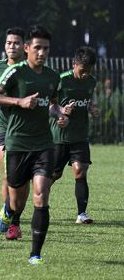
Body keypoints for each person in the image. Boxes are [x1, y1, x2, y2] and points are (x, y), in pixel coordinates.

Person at [0, 25, 71, 265]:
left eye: (46, 48)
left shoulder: (53, 77)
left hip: (44, 144)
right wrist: (19, 101)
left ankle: (35, 254)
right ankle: (9, 210)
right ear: (27, 48)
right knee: (17, 201)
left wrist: (59, 114)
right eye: (37, 48)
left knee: (40, 196)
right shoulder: (15, 72)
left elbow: (52, 104)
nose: (42, 52)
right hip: (17, 144)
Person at [0, 26, 25, 239]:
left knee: (21, 179)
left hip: (25, 130)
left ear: (24, 46)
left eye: (16, 43)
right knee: (9, 174)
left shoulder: (30, 70)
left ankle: (10, 211)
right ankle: (10, 217)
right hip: (2, 128)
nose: (12, 46)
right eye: (9, 43)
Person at [51, 46, 100, 224]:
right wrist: (61, 110)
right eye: (82, 70)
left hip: (80, 135)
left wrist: (92, 108)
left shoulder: (91, 81)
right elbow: (49, 104)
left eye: (89, 70)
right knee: (54, 175)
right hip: (59, 136)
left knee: (80, 171)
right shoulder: (61, 80)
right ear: (74, 65)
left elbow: (89, 100)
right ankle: (39, 197)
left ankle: (82, 214)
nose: (86, 74)